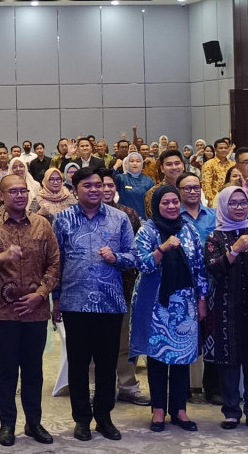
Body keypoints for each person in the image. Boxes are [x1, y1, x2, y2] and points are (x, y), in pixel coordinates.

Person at [0, 174, 60, 447]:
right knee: (6, 369)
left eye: (23, 191)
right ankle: (7, 424)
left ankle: (34, 423)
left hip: (36, 310)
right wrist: (2, 257)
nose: (20, 195)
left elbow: (55, 264)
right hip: (2, 312)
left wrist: (41, 294)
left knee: (34, 370)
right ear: (1, 196)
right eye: (13, 191)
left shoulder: (42, 224)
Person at [53, 167, 138, 442]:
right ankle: (81, 419)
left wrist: (116, 258)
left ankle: (104, 417)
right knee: (78, 364)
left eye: (99, 185)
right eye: (88, 186)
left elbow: (134, 255)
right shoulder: (62, 219)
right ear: (75, 189)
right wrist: (56, 299)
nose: (94, 190)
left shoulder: (119, 218)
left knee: (106, 364)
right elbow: (56, 262)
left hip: (109, 302)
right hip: (74, 302)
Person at [131, 185, 208, 432]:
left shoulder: (189, 229)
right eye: (166, 202)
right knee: (157, 358)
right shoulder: (147, 230)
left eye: (175, 201)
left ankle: (179, 410)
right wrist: (162, 248)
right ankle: (158, 411)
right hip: (156, 304)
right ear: (156, 205)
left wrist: (202, 299)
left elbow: (200, 267)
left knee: (181, 358)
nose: (172, 206)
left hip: (185, 304)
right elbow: (141, 264)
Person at [204, 186, 248, 432]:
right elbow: (213, 267)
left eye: (243, 203)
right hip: (225, 307)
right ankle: (231, 412)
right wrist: (235, 249)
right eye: (233, 203)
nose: (239, 207)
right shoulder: (215, 237)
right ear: (223, 206)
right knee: (228, 360)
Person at [97, 169, 150, 407]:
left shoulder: (129, 214)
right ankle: (95, 387)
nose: (106, 189)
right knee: (94, 342)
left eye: (110, 185)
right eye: (101, 185)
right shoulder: (84, 215)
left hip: (124, 285)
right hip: (94, 289)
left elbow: (137, 252)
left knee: (124, 342)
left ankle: (128, 386)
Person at [176, 172, 221, 405]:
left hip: (213, 284)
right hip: (183, 287)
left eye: (196, 187)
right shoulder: (174, 217)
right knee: (183, 336)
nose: (192, 191)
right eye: (187, 188)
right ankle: (181, 387)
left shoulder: (213, 216)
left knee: (213, 336)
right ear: (179, 191)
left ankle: (213, 387)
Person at [114, 152, 155, 220]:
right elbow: (107, 180)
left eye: (138, 161)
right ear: (127, 164)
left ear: (142, 164)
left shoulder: (148, 181)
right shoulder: (121, 178)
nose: (135, 163)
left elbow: (152, 203)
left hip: (143, 219)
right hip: (124, 218)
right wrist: (116, 166)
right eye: (132, 161)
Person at [145, 149, 186, 218]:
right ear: (162, 168)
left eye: (177, 163)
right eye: (169, 164)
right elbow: (154, 219)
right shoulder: (153, 192)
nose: (174, 167)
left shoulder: (191, 189)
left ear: (183, 166)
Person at [202, 138, 235, 207]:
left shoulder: (233, 164)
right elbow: (206, 185)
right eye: (221, 148)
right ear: (215, 150)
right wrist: (212, 202)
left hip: (232, 199)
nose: (224, 150)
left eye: (226, 148)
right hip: (216, 200)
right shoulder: (209, 164)